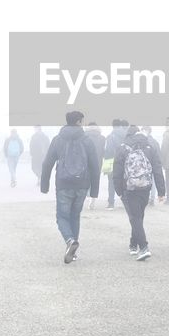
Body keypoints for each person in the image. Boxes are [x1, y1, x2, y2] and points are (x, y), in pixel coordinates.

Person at [40, 111, 101, 264]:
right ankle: (72, 250)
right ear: (80, 122)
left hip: (63, 184)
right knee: (75, 216)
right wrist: (94, 191)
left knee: (62, 217)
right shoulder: (87, 141)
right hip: (82, 184)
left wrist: (44, 185)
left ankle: (69, 241)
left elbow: (47, 163)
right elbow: (95, 166)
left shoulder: (58, 139)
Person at [113, 125, 166, 261]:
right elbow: (157, 169)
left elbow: (117, 171)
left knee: (135, 217)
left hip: (129, 188)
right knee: (138, 216)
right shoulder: (150, 146)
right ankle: (133, 244)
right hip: (145, 187)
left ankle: (143, 247)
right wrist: (161, 190)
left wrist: (118, 190)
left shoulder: (122, 147)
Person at [103, 119, 128, 208]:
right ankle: (126, 202)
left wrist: (106, 166)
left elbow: (108, 151)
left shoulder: (110, 136)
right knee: (125, 182)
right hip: (125, 162)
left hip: (112, 162)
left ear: (113, 126)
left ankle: (111, 203)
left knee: (111, 182)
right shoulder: (126, 135)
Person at [85, 122, 106, 209]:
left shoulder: (84, 137)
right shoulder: (102, 138)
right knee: (95, 181)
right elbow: (103, 152)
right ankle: (92, 199)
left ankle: (88, 196)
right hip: (97, 163)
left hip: (86, 162)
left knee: (85, 180)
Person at [141, 125, 162, 202]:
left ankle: (146, 198)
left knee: (144, 181)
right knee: (152, 181)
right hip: (153, 164)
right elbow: (159, 154)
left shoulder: (141, 142)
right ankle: (152, 198)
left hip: (143, 165)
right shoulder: (155, 142)